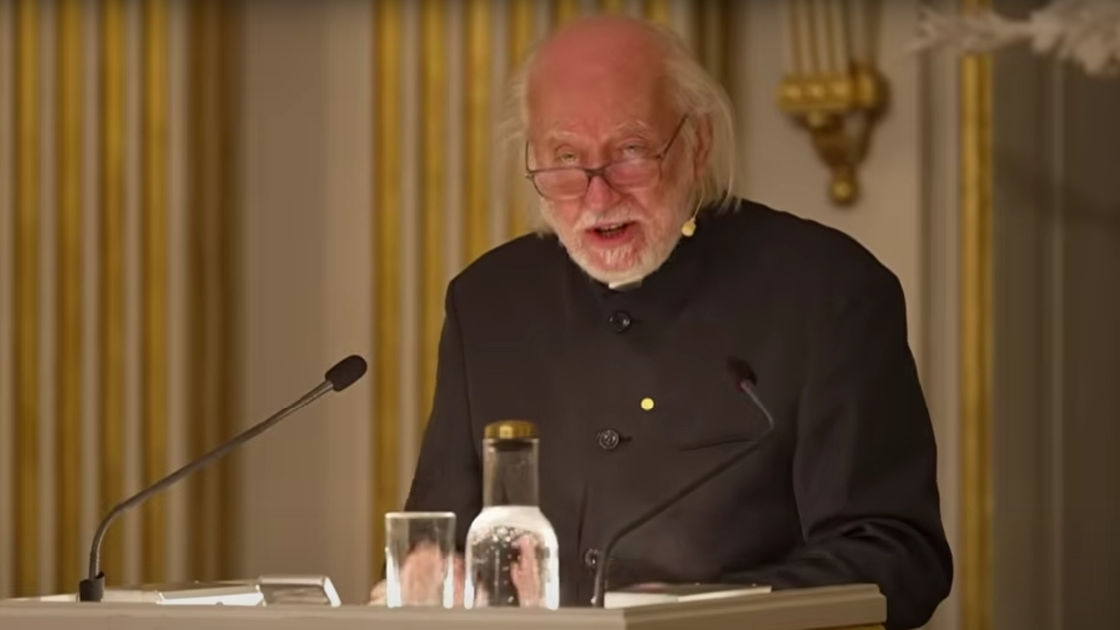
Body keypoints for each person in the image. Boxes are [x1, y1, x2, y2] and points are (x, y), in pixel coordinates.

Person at [378, 16, 952, 629]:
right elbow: (436, 545)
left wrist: (697, 614)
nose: (598, 197)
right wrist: (425, 579)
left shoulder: (827, 290)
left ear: (697, 143)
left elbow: (895, 556)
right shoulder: (487, 302)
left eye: (630, 152)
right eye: (565, 158)